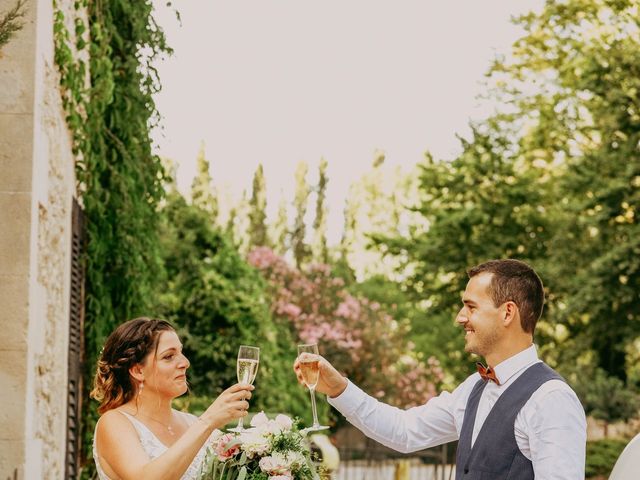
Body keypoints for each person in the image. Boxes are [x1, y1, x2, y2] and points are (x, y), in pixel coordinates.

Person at [294, 259, 587, 480]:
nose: (461, 318)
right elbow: (404, 431)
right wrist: (338, 388)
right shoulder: (474, 387)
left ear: (508, 312)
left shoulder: (551, 399)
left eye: (471, 307)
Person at [91, 317, 253, 480]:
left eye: (181, 352)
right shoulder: (114, 423)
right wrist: (208, 422)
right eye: (168, 356)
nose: (185, 362)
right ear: (138, 371)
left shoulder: (191, 422)